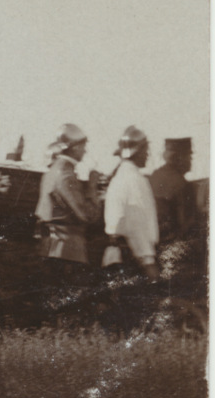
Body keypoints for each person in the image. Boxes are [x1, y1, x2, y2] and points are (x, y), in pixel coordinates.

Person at [100, 126, 161, 333]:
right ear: (136, 151)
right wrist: (148, 260)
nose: (147, 155)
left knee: (120, 314)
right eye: (145, 150)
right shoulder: (134, 180)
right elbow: (136, 223)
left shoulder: (120, 177)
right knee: (133, 317)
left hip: (117, 252)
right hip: (132, 255)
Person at [35, 124, 98, 321]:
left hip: (52, 246)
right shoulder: (66, 174)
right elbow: (87, 216)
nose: (85, 150)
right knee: (72, 309)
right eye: (83, 145)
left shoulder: (53, 170)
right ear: (74, 147)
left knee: (56, 306)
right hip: (69, 249)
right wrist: (92, 188)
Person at [150, 137, 197, 245]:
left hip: (153, 243)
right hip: (172, 246)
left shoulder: (155, 176)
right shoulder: (182, 185)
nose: (191, 160)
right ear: (179, 158)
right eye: (189, 156)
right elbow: (186, 226)